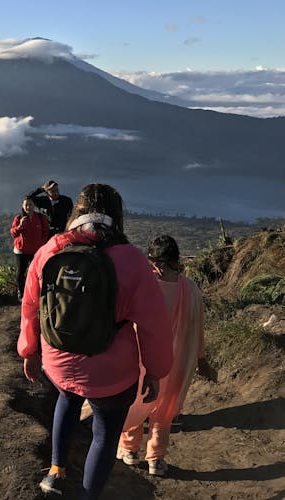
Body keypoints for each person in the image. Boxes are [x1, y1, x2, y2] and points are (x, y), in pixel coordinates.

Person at [17, 183, 173, 499]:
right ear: (117, 217)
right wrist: (156, 372)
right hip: (111, 375)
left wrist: (29, 351)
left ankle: (56, 471)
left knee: (67, 399)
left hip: (59, 361)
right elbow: (154, 325)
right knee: (104, 432)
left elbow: (31, 306)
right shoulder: (131, 261)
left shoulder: (51, 249)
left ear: (77, 213)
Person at [116, 234, 209, 476]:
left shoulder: (146, 288)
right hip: (176, 363)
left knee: (135, 403)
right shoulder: (191, 290)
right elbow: (198, 329)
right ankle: (156, 459)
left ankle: (129, 450)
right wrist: (201, 359)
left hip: (142, 361)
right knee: (164, 411)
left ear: (159, 264)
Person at [10, 196, 49, 301]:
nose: (28, 207)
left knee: (37, 273)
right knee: (20, 273)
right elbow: (13, 233)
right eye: (26, 204)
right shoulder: (18, 218)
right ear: (23, 206)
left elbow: (46, 232)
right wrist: (20, 226)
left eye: (30, 204)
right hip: (21, 251)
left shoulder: (41, 218)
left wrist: (42, 245)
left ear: (34, 205)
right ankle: (21, 292)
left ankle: (36, 293)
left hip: (36, 251)